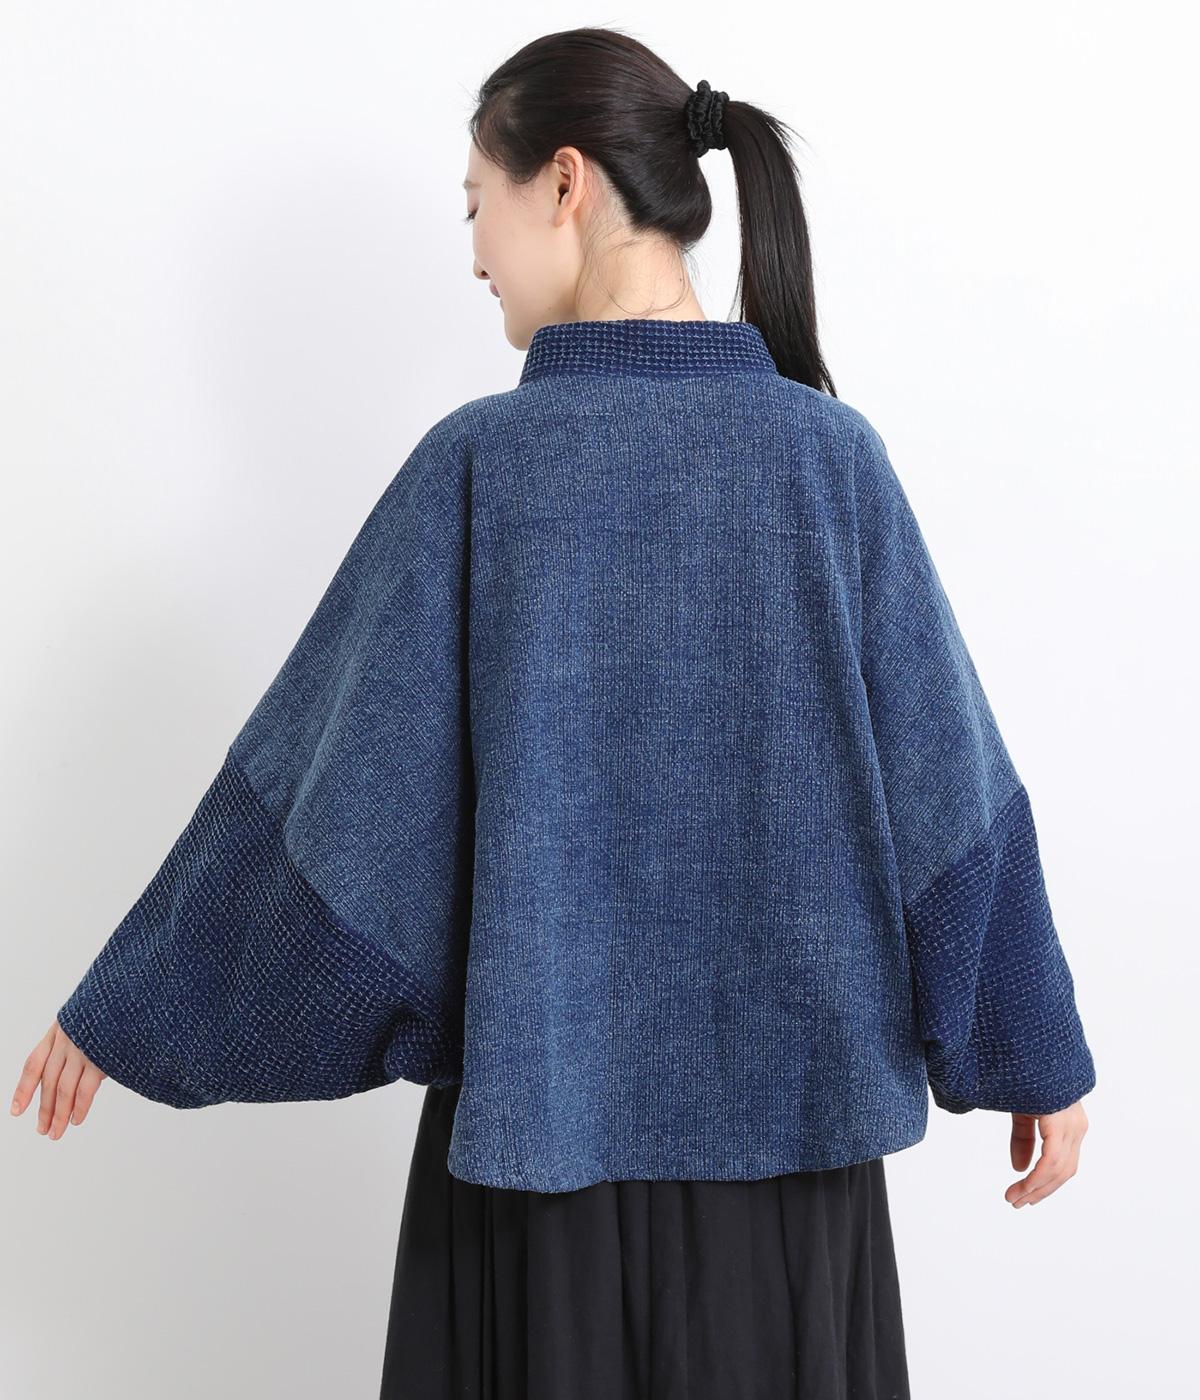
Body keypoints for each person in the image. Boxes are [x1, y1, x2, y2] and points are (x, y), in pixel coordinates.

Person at [11, 25, 1095, 1400]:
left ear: (565, 183)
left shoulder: (481, 467)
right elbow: (955, 803)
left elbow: (328, 824)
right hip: (794, 1193)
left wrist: (140, 1005)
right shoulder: (833, 463)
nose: (473, 251)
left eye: (478, 202)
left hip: (534, 1189)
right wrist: (1034, 1052)